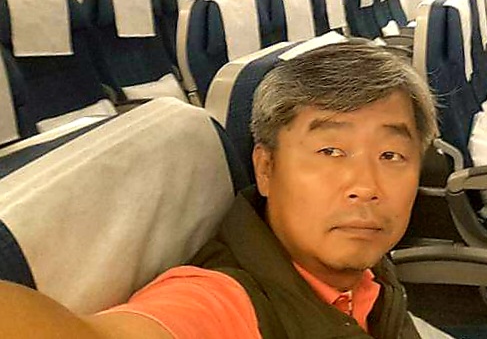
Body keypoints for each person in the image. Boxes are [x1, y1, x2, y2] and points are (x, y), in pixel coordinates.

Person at [0, 43, 441, 339]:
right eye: (330, 151)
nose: (365, 186)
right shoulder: (225, 303)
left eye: (390, 155)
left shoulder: (357, 262)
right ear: (265, 168)